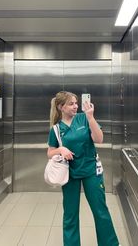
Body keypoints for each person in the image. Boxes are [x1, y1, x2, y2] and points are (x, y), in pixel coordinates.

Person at [47, 91, 120, 246]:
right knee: (70, 215)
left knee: (101, 211)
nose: (76, 106)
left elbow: (99, 139)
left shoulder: (83, 118)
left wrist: (91, 117)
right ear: (61, 107)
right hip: (70, 175)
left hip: (91, 172)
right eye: (71, 104)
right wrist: (61, 150)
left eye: (76, 103)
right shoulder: (56, 129)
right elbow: (50, 152)